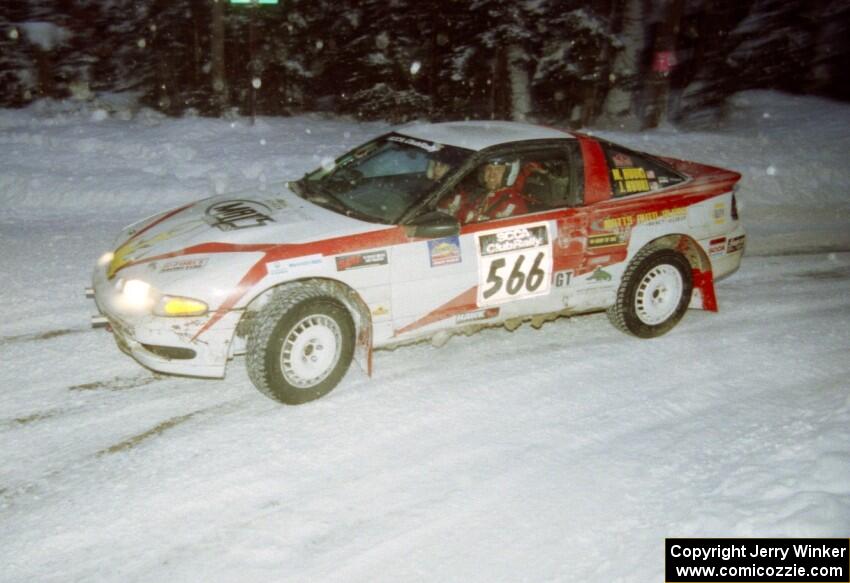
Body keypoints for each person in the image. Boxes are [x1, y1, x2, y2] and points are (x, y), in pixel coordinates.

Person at [440, 157, 540, 224]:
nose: (491, 175)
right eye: (489, 169)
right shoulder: (481, 195)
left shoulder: (514, 203)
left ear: (509, 174)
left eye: (498, 170)